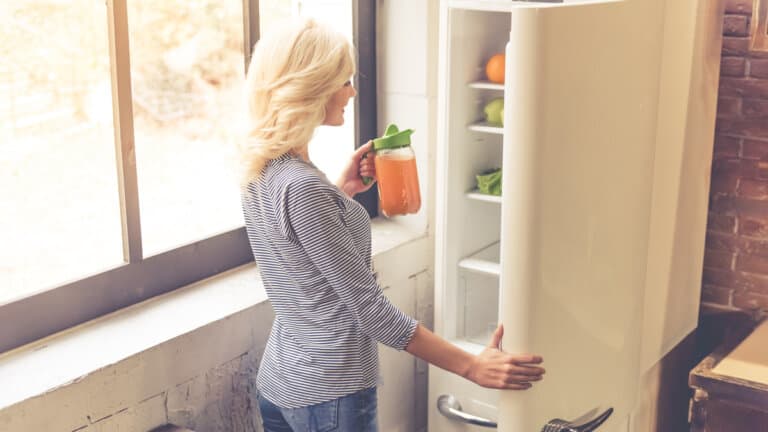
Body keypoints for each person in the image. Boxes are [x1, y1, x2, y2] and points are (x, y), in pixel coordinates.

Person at [240, 18, 545, 432]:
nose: (351, 91)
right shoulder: (303, 189)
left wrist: (340, 192)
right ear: (311, 88)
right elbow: (372, 312)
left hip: (282, 382)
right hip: (330, 393)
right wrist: (472, 366)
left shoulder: (264, 170)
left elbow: (301, 258)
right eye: (343, 80)